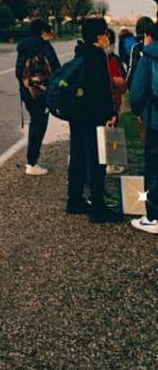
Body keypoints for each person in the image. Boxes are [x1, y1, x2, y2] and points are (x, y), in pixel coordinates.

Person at [66, 17, 122, 223]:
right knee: (96, 160)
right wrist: (110, 113)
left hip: (78, 113)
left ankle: (74, 200)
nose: (107, 37)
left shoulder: (80, 52)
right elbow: (101, 90)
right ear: (99, 36)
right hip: (93, 115)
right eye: (105, 33)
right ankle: (98, 208)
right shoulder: (97, 56)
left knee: (78, 155)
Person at [16, 19, 61, 175]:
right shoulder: (44, 46)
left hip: (27, 93)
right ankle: (32, 162)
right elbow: (56, 68)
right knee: (39, 126)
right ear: (42, 32)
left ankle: (32, 160)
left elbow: (18, 72)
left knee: (35, 123)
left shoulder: (22, 47)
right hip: (42, 93)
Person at [130, 21, 158, 234]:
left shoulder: (148, 57)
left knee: (153, 166)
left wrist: (138, 112)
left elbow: (137, 92)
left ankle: (153, 216)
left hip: (155, 120)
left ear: (149, 36)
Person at [105, 28, 128, 176]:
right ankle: (110, 163)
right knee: (110, 132)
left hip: (113, 102)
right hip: (110, 102)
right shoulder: (112, 59)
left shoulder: (114, 59)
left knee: (109, 133)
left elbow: (124, 81)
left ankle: (110, 162)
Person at [126, 16, 154, 90]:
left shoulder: (136, 47)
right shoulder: (155, 46)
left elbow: (132, 70)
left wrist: (128, 85)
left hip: (140, 90)